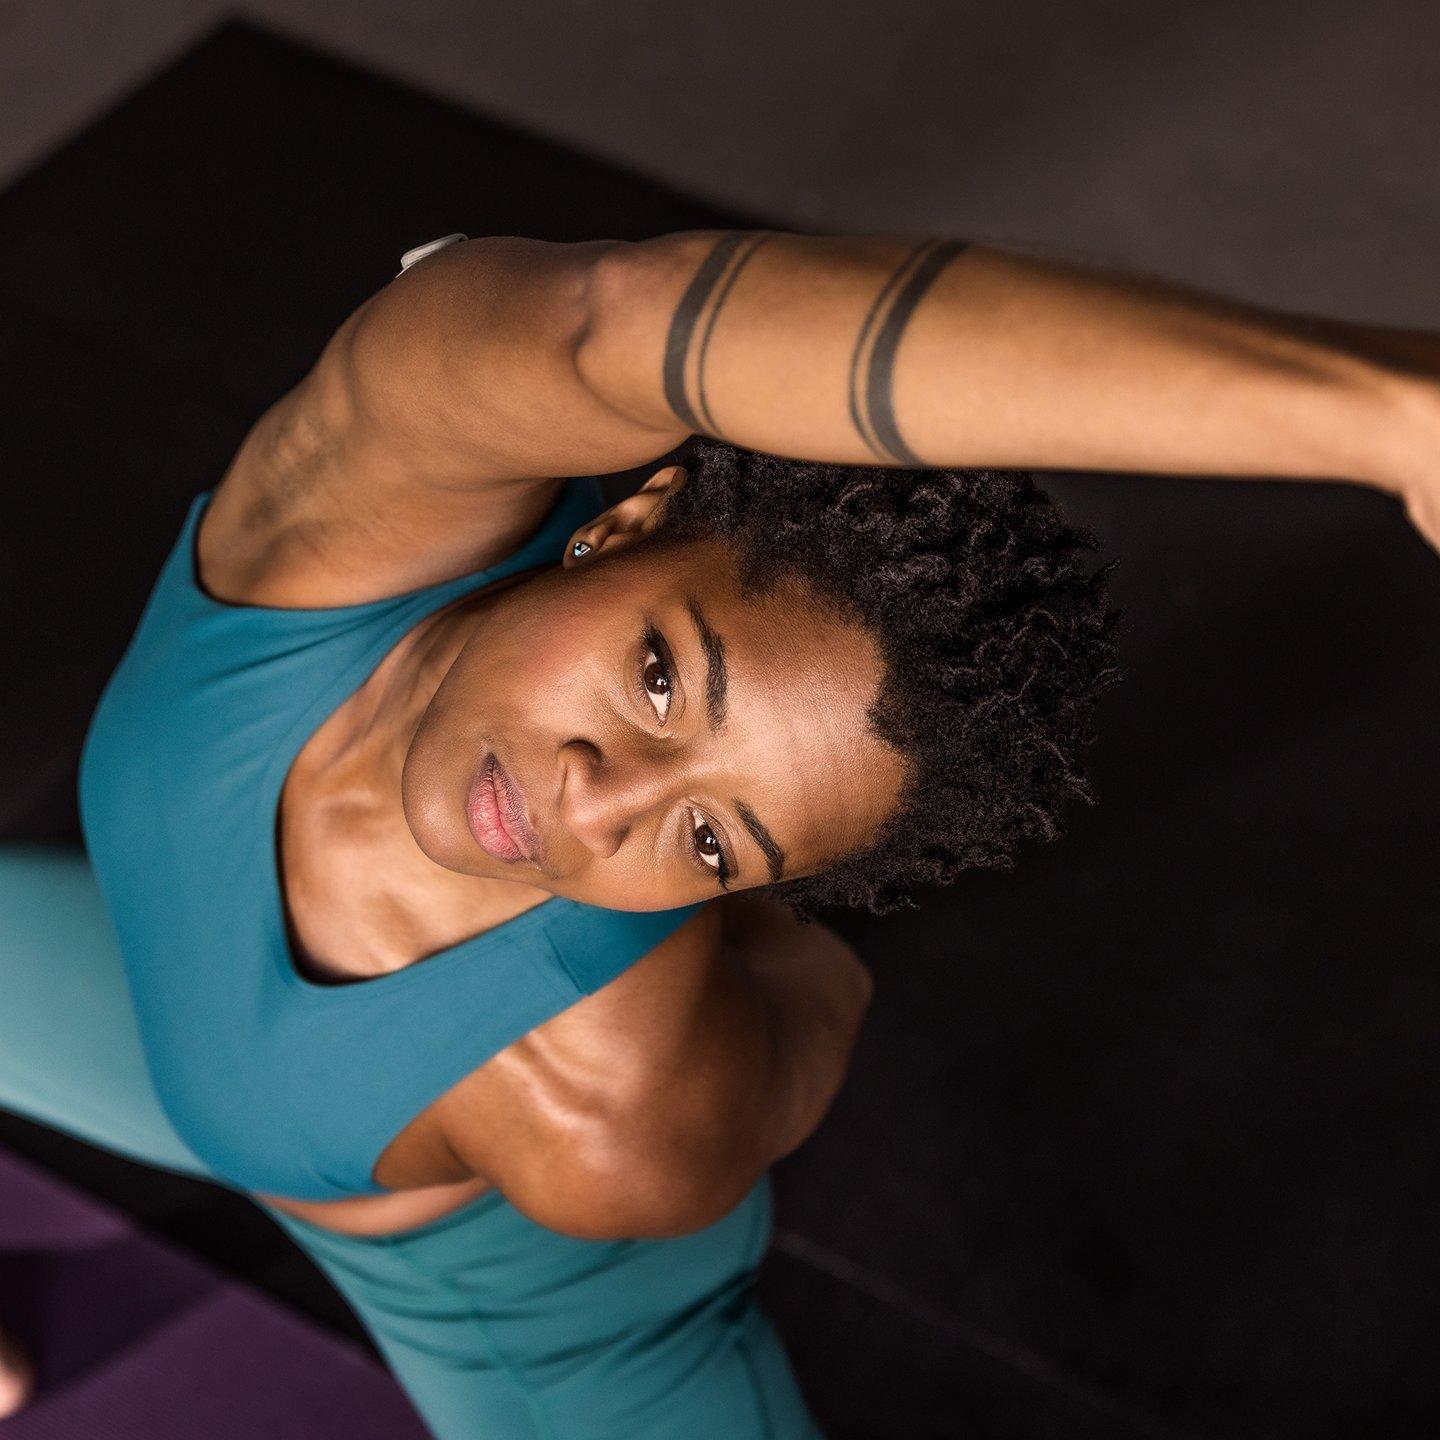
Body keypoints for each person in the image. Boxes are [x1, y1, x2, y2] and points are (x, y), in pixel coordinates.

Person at [0, 229, 1435, 1436]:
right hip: (186, 1006)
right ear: (630, 522)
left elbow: (827, 991)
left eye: (709, 840)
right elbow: (617, 323)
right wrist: (1383, 413)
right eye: (659, 677)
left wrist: (749, 925)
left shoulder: (606, 1118)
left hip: (516, 1321)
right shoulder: (334, 520)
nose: (595, 801)